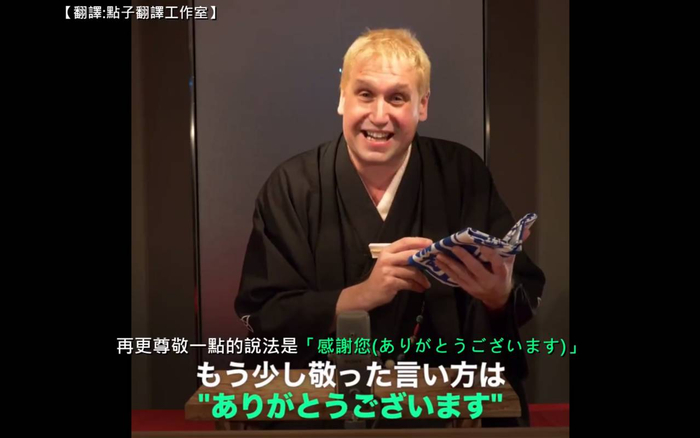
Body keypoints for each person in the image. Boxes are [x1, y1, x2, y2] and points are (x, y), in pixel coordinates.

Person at [234, 28, 545, 428]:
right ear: (342, 99)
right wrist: (361, 295)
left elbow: (518, 288)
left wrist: (497, 296)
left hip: (440, 405)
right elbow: (263, 313)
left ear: (422, 105)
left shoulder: (461, 174)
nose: (379, 116)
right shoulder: (292, 187)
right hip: (319, 406)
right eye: (365, 94)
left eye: (397, 98)